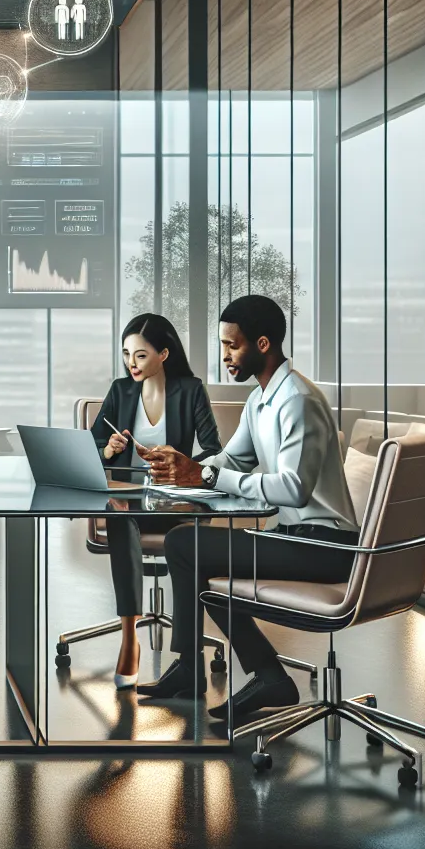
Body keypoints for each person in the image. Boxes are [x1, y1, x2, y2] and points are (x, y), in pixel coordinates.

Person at [136, 295, 358, 726]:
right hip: (297, 537)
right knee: (193, 549)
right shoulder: (260, 400)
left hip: (329, 546)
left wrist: (205, 478)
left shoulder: (297, 400)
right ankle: (252, 673)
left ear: (262, 343)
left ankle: (218, 670)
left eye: (231, 346)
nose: (224, 356)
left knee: (187, 543)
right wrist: (183, 468)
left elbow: (292, 490)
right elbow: (232, 461)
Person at [89, 313, 221, 689]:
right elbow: (94, 446)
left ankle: (186, 656)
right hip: (131, 500)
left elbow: (213, 449)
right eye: (127, 354)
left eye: (141, 355)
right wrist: (111, 449)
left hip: (176, 500)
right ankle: (129, 635)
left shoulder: (190, 389)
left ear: (164, 354)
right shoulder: (120, 391)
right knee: (119, 516)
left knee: (184, 537)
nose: (132, 363)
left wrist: (184, 465)